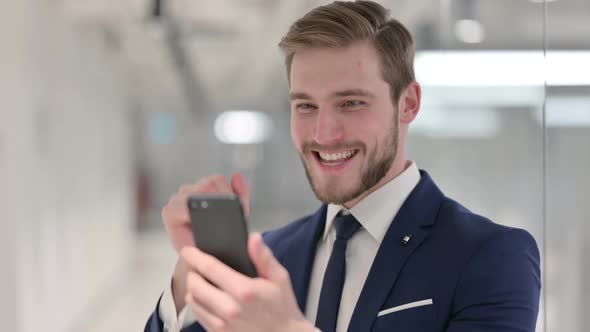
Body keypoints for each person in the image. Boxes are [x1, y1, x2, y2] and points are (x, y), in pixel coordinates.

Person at [145, 1, 541, 331]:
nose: (324, 133)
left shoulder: (490, 255)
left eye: (351, 103)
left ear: (408, 103)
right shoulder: (271, 256)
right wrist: (189, 278)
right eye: (306, 106)